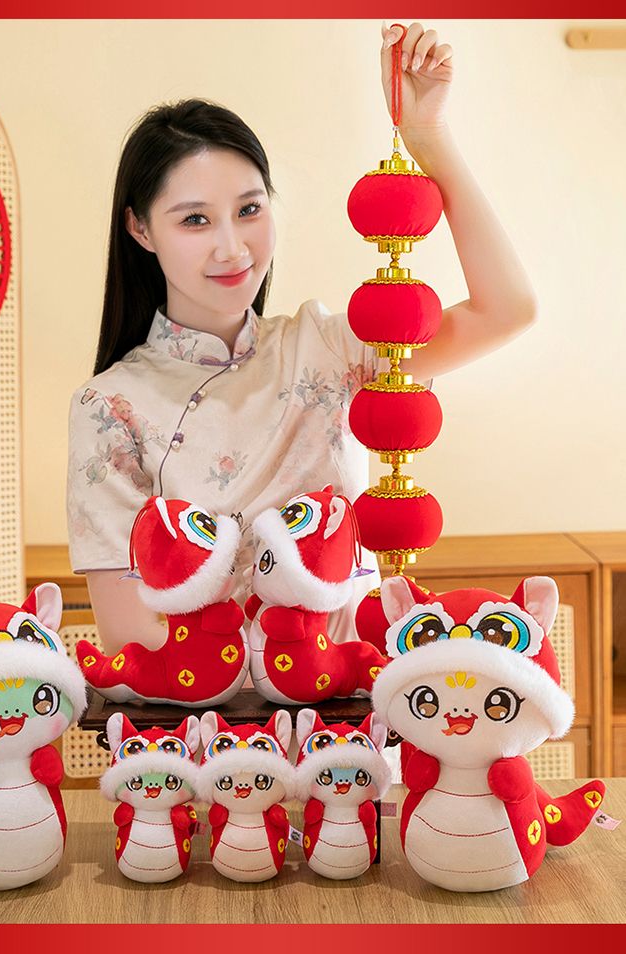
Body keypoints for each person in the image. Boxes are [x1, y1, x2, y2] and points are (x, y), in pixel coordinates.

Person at [67, 21, 538, 657]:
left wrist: (428, 136)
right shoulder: (110, 407)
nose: (232, 248)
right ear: (140, 229)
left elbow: (505, 309)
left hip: (362, 705)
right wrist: (285, 677)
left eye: (249, 209)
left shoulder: (331, 350)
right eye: (195, 220)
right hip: (207, 716)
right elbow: (133, 640)